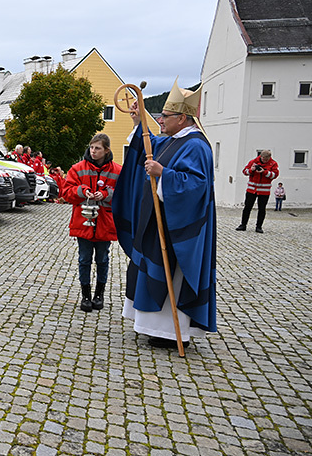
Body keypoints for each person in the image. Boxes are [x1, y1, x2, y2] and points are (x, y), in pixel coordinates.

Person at [112, 80, 217, 349]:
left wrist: (164, 175)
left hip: (178, 229)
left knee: (173, 276)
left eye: (165, 116)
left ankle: (170, 333)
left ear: (182, 118)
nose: (160, 120)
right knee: (152, 270)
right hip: (158, 223)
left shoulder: (196, 145)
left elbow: (197, 186)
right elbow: (151, 146)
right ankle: (155, 327)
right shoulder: (176, 140)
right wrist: (139, 122)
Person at [60, 134, 121, 312]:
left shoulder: (117, 171)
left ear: (106, 150)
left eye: (98, 148)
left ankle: (99, 295)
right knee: (84, 260)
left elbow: (125, 194)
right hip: (83, 222)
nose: (93, 151)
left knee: (102, 260)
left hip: (104, 223)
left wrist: (107, 194)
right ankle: (85, 296)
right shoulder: (78, 168)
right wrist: (82, 190)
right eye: (91, 147)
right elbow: (66, 192)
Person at [236, 150, 279, 233]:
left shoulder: (273, 164)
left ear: (269, 158)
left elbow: (275, 175)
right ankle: (243, 225)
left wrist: (264, 172)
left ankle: (259, 227)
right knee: (247, 208)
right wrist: (251, 170)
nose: (265, 161)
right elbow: (245, 172)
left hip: (264, 191)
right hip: (251, 189)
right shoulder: (253, 162)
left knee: (262, 209)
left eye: (266, 160)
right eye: (263, 159)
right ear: (261, 156)